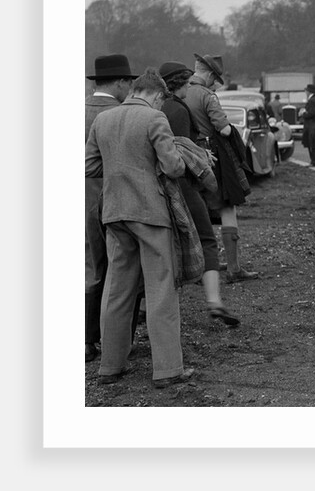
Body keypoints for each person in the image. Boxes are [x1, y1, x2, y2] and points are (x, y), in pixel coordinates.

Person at [85, 68, 194, 387]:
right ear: (157, 95)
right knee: (161, 289)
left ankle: (110, 365)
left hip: (115, 213)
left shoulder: (102, 120)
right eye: (162, 101)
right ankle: (168, 369)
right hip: (150, 213)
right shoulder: (154, 120)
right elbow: (173, 166)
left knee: (117, 290)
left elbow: (90, 166)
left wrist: (119, 170)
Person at [159, 61, 239, 326]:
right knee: (206, 239)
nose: (188, 88)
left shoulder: (158, 107)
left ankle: (151, 306)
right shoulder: (178, 109)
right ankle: (214, 301)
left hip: (161, 187)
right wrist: (202, 155)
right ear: (179, 84)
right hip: (183, 185)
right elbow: (179, 150)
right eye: (186, 83)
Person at [184, 53, 258, 283]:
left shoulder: (180, 92)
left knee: (196, 212)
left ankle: (201, 267)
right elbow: (224, 129)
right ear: (207, 73)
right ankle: (234, 268)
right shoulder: (207, 96)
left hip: (186, 157)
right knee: (227, 208)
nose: (215, 82)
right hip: (211, 159)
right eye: (215, 77)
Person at [84, 54, 137, 362]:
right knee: (124, 268)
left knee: (90, 266)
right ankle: (117, 342)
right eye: (128, 83)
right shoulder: (120, 114)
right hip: (115, 197)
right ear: (119, 82)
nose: (128, 89)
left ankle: (87, 341)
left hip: (81, 198)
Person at [300, 83, 315, 167]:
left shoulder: (311, 101)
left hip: (312, 126)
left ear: (308, 92)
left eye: (306, 91)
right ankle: (314, 161)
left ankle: (314, 162)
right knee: (314, 145)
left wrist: (303, 113)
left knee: (311, 145)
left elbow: (311, 113)